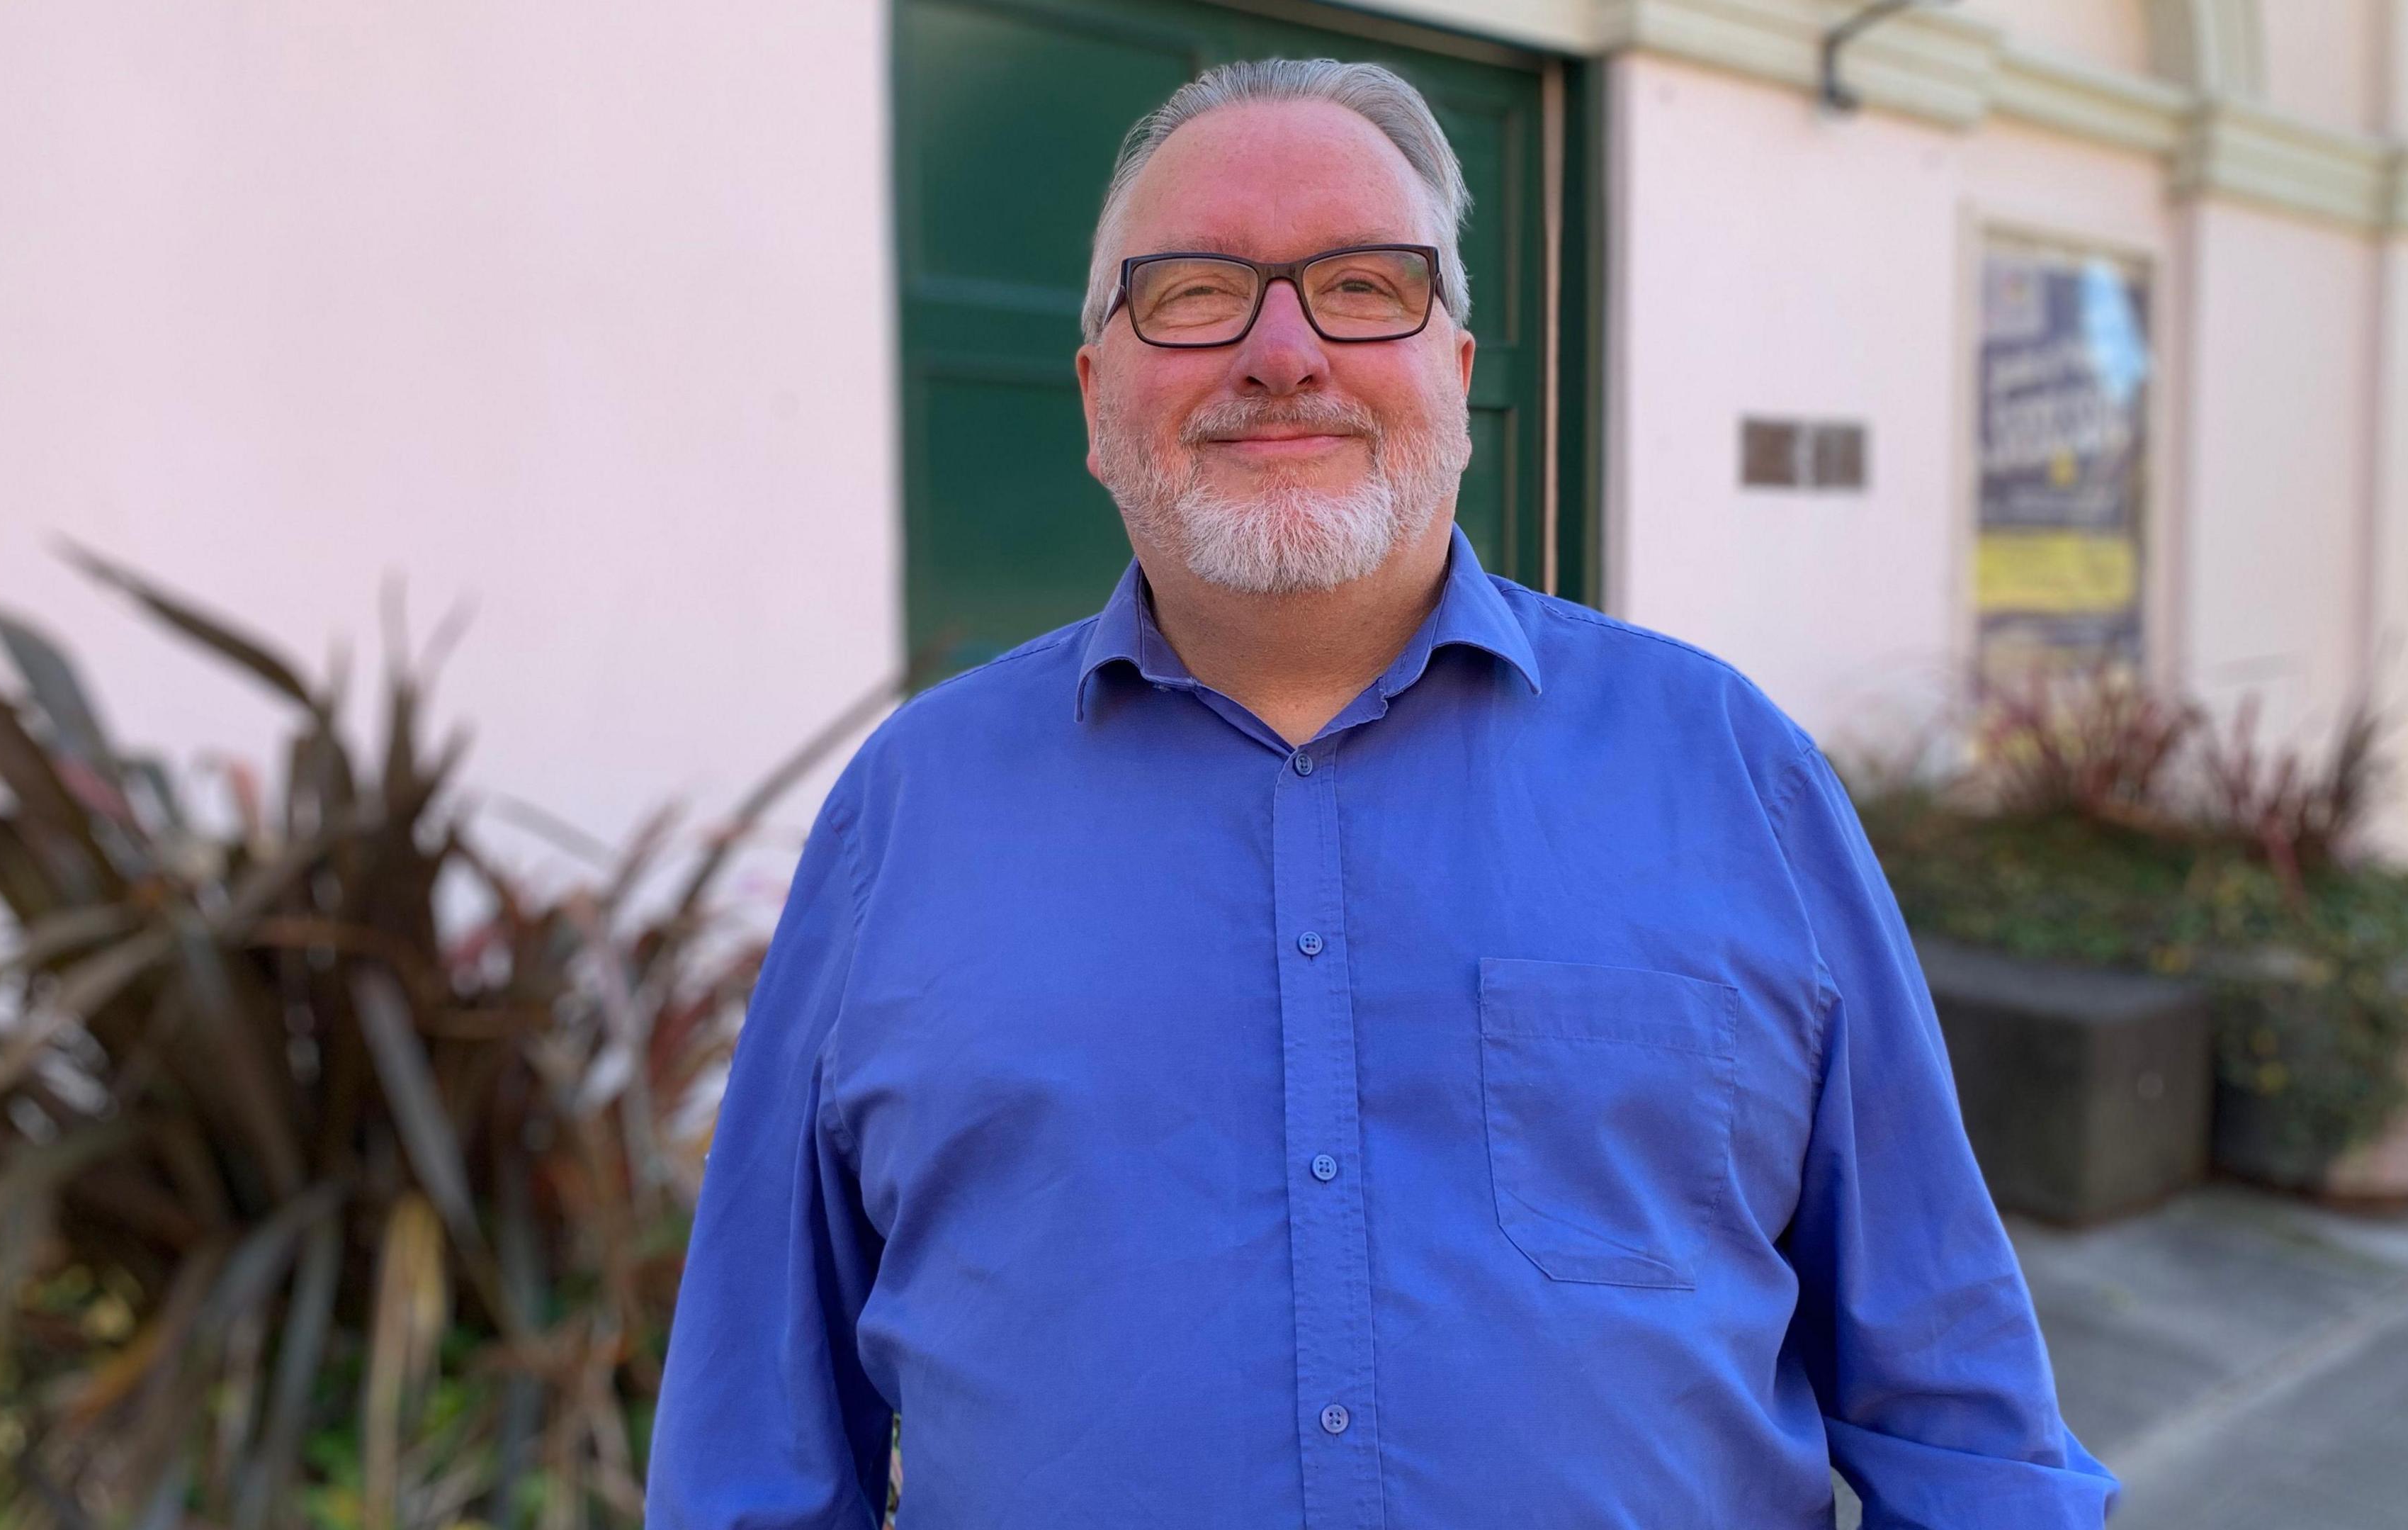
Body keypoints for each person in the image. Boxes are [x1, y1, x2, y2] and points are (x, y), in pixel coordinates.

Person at [647, 56, 2116, 1529]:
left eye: (1362, 286)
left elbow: (1964, 1425)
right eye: (1194, 291)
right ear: (1098, 396)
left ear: (1459, 377)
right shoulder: (908, 813)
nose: (1283, 352)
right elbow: (755, 1455)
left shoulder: (1732, 774)